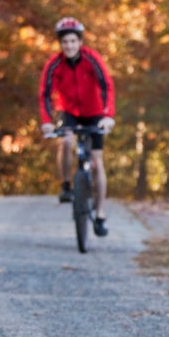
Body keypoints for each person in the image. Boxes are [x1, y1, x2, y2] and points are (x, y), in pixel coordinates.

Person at [38, 16, 115, 236]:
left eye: (73, 41)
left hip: (94, 113)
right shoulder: (54, 64)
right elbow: (44, 93)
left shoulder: (92, 59)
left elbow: (107, 86)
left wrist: (108, 115)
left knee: (97, 162)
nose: (69, 46)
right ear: (60, 44)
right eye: (65, 42)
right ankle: (66, 185)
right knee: (67, 141)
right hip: (68, 112)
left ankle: (100, 214)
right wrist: (46, 122)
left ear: (80, 42)